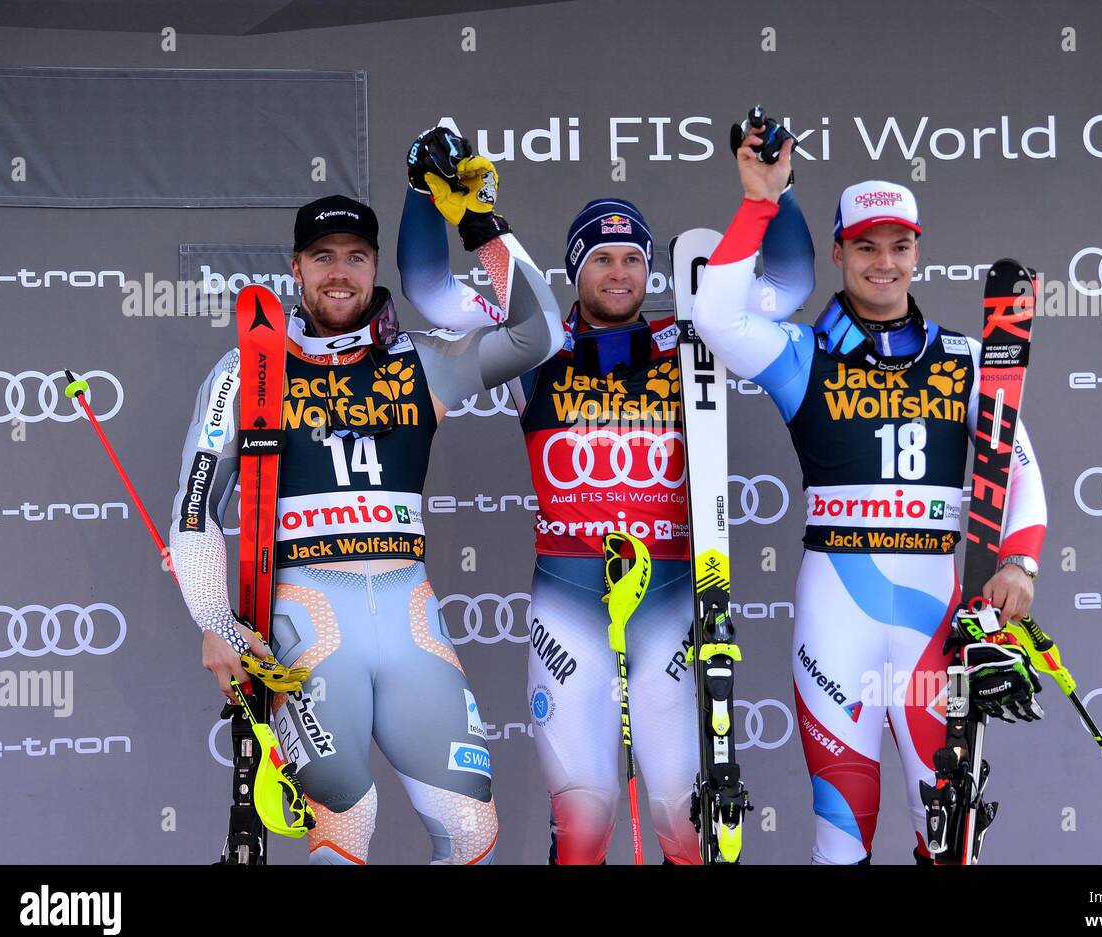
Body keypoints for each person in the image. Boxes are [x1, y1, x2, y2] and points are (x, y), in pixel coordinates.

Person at [399, 127, 815, 863]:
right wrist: (422, 194)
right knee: (583, 818)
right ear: (574, 270)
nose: (618, 273)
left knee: (687, 817)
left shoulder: (692, 341)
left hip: (673, 598)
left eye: (632, 259)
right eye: (601, 259)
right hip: (568, 605)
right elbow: (430, 289)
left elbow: (792, 280)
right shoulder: (538, 346)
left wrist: (773, 192)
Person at [168, 174, 563, 864]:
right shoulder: (247, 370)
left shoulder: (424, 362)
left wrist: (479, 224)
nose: (340, 272)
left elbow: (539, 333)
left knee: (472, 830)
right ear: (295, 268)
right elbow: (196, 509)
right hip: (308, 625)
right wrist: (214, 620)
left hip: (411, 619)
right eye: (322, 256)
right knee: (346, 822)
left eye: (356, 255)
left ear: (377, 265)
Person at [690, 125, 1047, 865]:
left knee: (952, 829)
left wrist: (1018, 563)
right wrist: (759, 203)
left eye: (899, 246)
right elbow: (714, 319)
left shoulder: (967, 358)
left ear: (917, 252)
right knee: (841, 829)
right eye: (866, 246)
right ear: (839, 253)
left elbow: (1021, 469)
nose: (884, 263)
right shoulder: (803, 356)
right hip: (836, 617)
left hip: (935, 620)